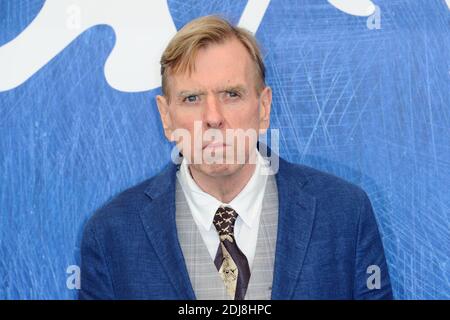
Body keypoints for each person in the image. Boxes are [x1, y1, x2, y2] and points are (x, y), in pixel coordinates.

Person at [79, 15, 393, 300]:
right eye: (192, 98)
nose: (213, 117)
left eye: (232, 94)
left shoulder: (343, 214)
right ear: (166, 117)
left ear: (264, 107)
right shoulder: (111, 234)